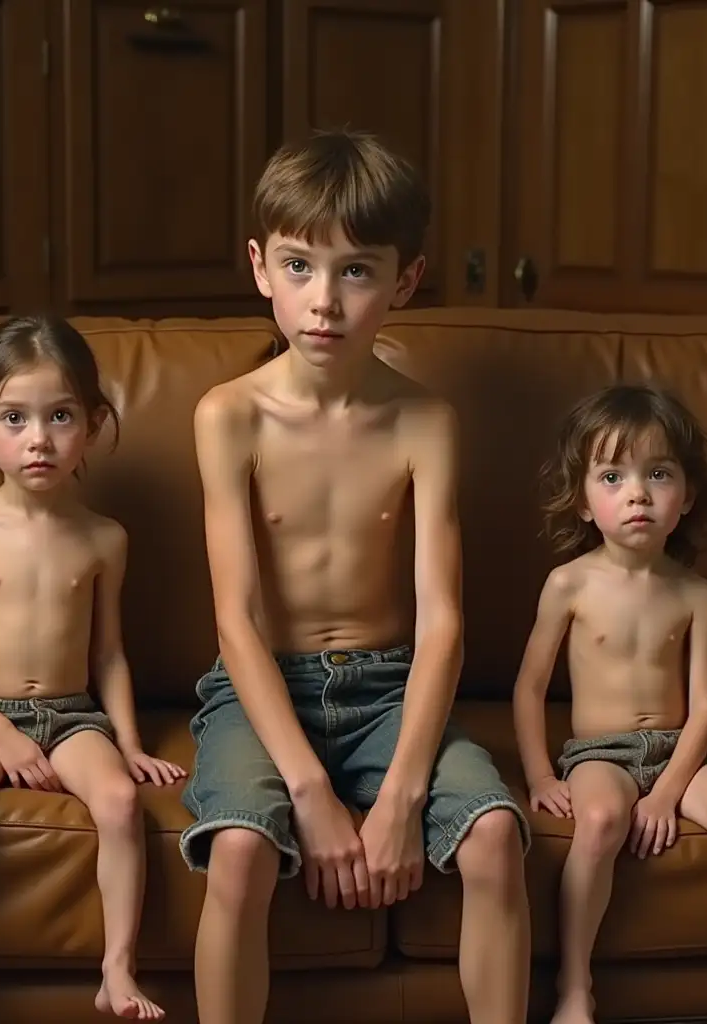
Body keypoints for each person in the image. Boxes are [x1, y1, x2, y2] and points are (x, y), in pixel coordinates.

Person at [179, 128, 531, 1024]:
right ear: (260, 267)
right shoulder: (228, 417)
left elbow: (443, 620)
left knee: (494, 837)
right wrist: (309, 793)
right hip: (261, 692)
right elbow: (237, 621)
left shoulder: (425, 421)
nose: (323, 302)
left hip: (390, 687)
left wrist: (406, 791)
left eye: (356, 272)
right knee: (241, 854)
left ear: (405, 280)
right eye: (298, 267)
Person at [0, 315, 186, 1024]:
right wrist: (0, 736)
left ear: (91, 424)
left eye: (60, 417)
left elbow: (109, 653)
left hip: (73, 713)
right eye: (15, 419)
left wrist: (128, 741)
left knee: (119, 804)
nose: (39, 439)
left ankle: (116, 970)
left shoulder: (103, 539)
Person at [512, 383, 707, 1024]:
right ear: (586, 502)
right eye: (613, 476)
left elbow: (705, 706)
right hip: (599, 753)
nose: (638, 494)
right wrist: (539, 773)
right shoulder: (568, 584)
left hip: (680, 750)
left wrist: (668, 792)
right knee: (596, 826)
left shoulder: (696, 593)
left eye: (659, 474)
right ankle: (574, 987)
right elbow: (530, 686)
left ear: (688, 498)